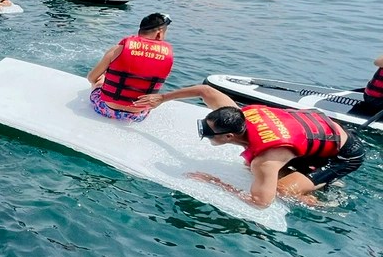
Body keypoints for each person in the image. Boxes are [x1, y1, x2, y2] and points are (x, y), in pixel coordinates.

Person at [135, 85, 365, 207]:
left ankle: (320, 197)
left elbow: (261, 202)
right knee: (254, 168)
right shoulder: (238, 114)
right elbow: (205, 91)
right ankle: (305, 175)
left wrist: (214, 182)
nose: (206, 135)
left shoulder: (265, 160)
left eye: (209, 134)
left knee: (281, 191)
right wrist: (161, 98)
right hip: (318, 136)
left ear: (229, 136)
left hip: (344, 154)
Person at [86, 13, 173, 122]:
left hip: (106, 109)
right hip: (138, 115)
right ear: (159, 33)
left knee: (100, 78)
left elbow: (91, 78)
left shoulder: (117, 49)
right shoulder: (167, 56)